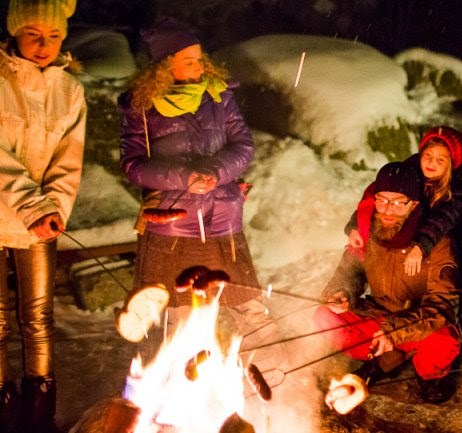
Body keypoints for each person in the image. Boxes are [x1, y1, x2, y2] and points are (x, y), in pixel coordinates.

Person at [118, 17, 262, 332]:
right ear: (165, 66)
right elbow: (134, 164)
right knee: (180, 318)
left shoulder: (219, 96)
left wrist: (216, 170)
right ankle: (179, 377)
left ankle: (275, 375)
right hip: (172, 227)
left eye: (199, 58)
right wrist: (185, 176)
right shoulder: (142, 106)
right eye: (188, 60)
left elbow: (243, 145)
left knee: (249, 307)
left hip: (224, 219)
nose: (199, 66)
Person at [0, 0, 85, 431]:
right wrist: (32, 204)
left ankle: (39, 413)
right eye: (33, 33)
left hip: (38, 222)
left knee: (38, 317)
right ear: (15, 32)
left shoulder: (70, 91)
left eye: (53, 35)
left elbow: (68, 162)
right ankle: (1, 408)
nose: (43, 44)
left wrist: (53, 208)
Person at [315, 162, 462, 404]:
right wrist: (341, 293)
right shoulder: (366, 231)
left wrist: (395, 332)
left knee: (444, 340)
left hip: (417, 323)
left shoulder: (436, 241)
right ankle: (388, 358)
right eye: (382, 200)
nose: (388, 210)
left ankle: (427, 373)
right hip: (379, 316)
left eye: (397, 202)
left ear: (413, 204)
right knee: (325, 317)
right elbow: (349, 273)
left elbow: (442, 305)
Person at [342, 125, 462, 360]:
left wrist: (421, 245)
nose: (431, 163)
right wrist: (355, 226)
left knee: (455, 303)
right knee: (409, 299)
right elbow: (373, 198)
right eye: (428, 156)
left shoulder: (454, 188)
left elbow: (441, 221)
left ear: (452, 163)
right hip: (415, 241)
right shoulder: (407, 173)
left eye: (440, 160)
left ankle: (457, 354)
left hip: (449, 246)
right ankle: (397, 348)